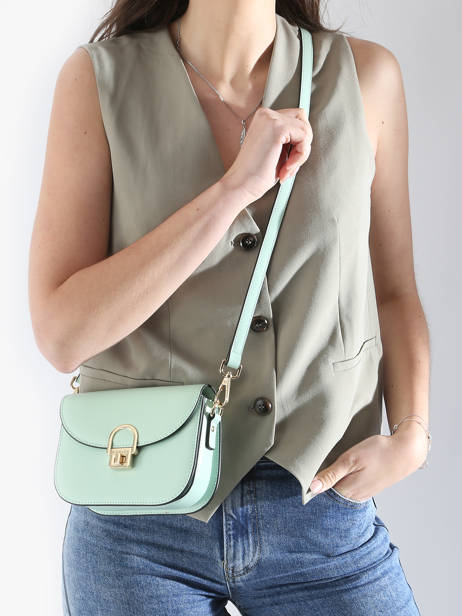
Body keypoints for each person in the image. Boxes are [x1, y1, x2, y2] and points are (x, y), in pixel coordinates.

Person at [28, 1, 431, 614]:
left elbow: (395, 292)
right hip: (138, 520)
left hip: (322, 506)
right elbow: (61, 335)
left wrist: (412, 435)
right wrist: (233, 190)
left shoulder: (365, 76)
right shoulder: (97, 80)